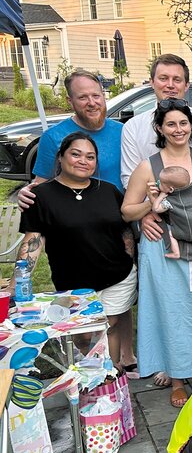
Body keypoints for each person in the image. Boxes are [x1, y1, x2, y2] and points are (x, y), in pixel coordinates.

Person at [122, 98, 192, 408]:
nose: (178, 129)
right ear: (160, 128)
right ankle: (178, 377)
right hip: (163, 249)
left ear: (191, 127)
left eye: (183, 123)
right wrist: (150, 206)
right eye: (171, 124)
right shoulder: (149, 166)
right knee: (172, 311)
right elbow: (127, 211)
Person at [15, 131, 136, 371]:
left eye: (90, 157)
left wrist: (130, 260)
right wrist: (18, 281)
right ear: (60, 157)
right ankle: (87, 376)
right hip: (72, 281)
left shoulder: (109, 190)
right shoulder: (40, 196)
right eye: (76, 154)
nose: (83, 161)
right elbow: (33, 242)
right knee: (82, 336)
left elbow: (124, 231)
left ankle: (108, 378)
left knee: (107, 327)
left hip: (118, 276)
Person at [120, 53, 192, 189]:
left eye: (177, 79)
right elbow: (129, 180)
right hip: (153, 208)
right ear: (152, 82)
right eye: (163, 78)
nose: (170, 85)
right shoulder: (133, 127)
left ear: (187, 85)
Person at [26, 69, 124, 192]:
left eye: (96, 95)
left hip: (120, 209)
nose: (92, 103)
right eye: (83, 97)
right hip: (74, 208)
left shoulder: (122, 131)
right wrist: (27, 193)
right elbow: (42, 184)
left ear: (103, 96)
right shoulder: (53, 136)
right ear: (70, 101)